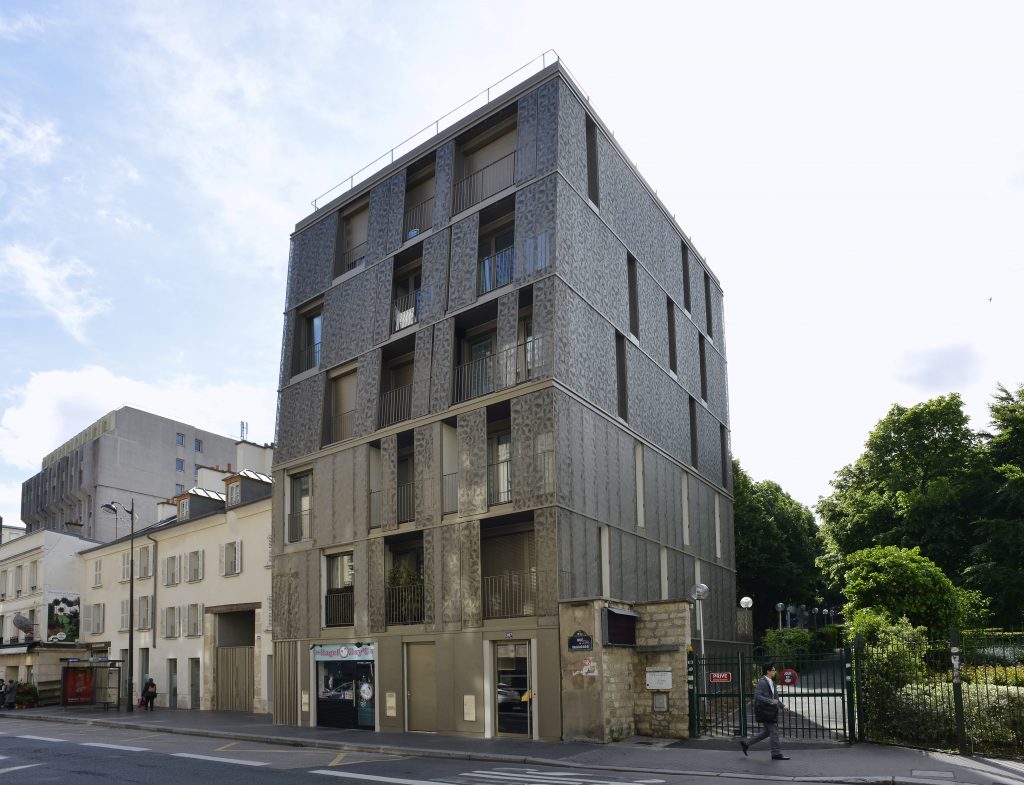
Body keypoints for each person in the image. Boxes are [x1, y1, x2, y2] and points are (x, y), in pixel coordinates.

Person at [740, 662, 789, 760]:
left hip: (770, 711)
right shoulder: (762, 682)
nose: (775, 671)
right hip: (765, 711)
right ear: (768, 671)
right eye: (773, 670)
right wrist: (770, 701)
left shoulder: (772, 682)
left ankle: (746, 742)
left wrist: (783, 706)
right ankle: (776, 753)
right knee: (774, 732)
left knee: (767, 732)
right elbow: (757, 696)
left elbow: (776, 698)